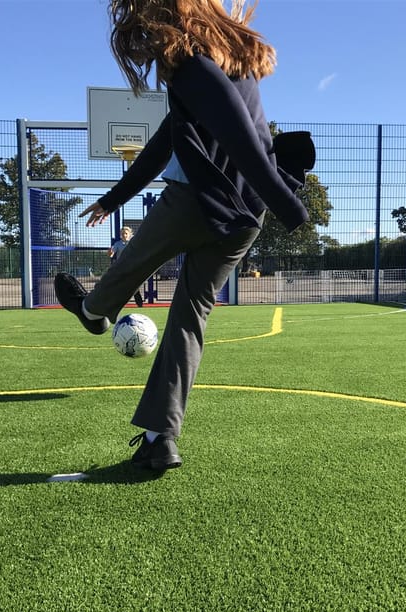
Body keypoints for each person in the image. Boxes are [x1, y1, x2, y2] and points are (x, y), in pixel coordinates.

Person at [55, 0, 314, 471]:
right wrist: (115, 198)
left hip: (201, 199)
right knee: (190, 316)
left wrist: (288, 203)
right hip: (244, 218)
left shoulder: (191, 65)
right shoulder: (235, 59)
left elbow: (238, 133)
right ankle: (160, 440)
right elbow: (166, 141)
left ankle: (94, 311)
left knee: (133, 261)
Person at [108, 226, 144, 307]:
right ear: (121, 234)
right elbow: (111, 254)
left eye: (126, 233)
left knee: (134, 286)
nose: (124, 235)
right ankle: (116, 304)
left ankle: (140, 303)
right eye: (123, 233)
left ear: (130, 234)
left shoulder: (134, 242)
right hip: (121, 268)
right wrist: (110, 253)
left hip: (132, 267)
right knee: (119, 285)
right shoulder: (118, 244)